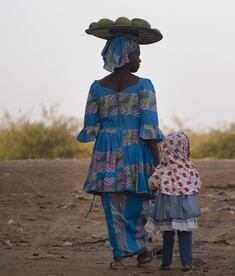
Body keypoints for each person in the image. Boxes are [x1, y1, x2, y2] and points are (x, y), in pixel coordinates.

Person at [77, 35, 164, 270]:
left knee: (112, 205)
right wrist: (158, 161)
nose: (140, 60)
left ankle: (119, 257)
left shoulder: (96, 87)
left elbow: (91, 125)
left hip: (106, 150)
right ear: (126, 57)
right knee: (139, 201)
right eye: (137, 54)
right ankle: (141, 250)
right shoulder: (144, 85)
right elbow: (149, 127)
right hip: (135, 149)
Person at [145, 131, 201, 272]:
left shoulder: (163, 169)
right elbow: (197, 185)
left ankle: (166, 263)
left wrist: (150, 183)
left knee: (168, 235)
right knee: (186, 235)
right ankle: (187, 263)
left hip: (167, 206)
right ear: (185, 148)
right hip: (186, 206)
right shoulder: (190, 167)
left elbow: (152, 184)